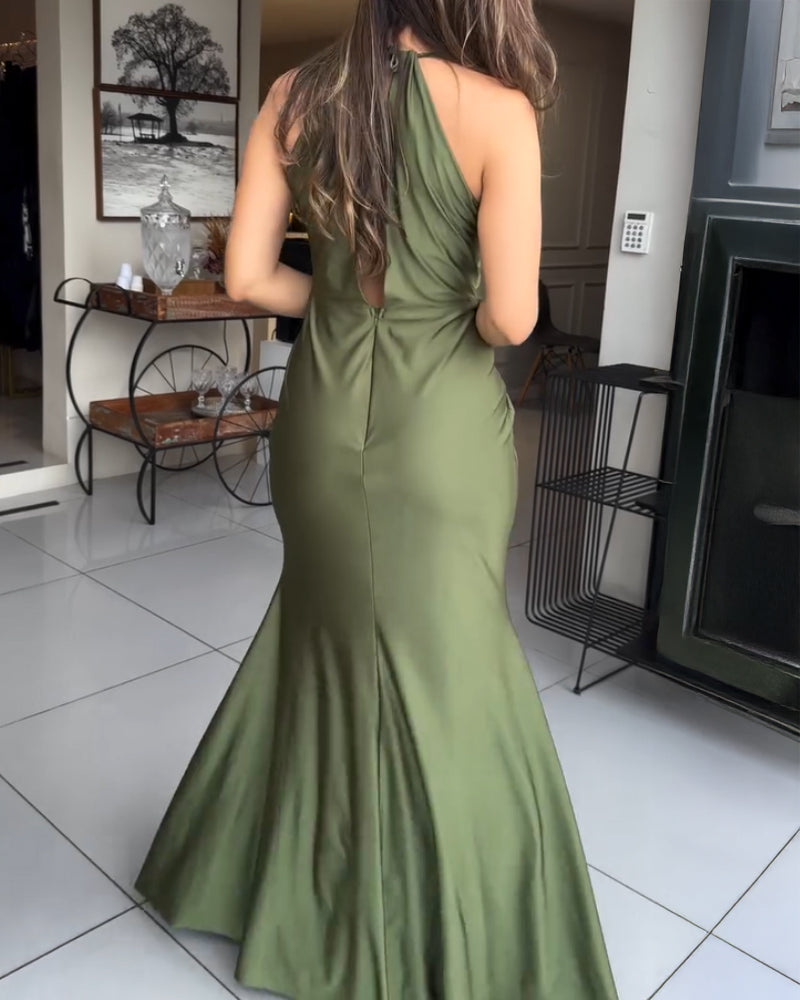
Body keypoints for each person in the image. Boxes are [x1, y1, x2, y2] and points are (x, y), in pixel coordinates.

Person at [135, 1, 619, 997]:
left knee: (321, 644)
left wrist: (344, 301)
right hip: (439, 431)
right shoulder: (497, 110)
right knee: (452, 669)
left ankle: (304, 903)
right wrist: (429, 304)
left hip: (318, 422)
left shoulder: (295, 95)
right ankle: (458, 927)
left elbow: (246, 275)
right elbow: (511, 316)